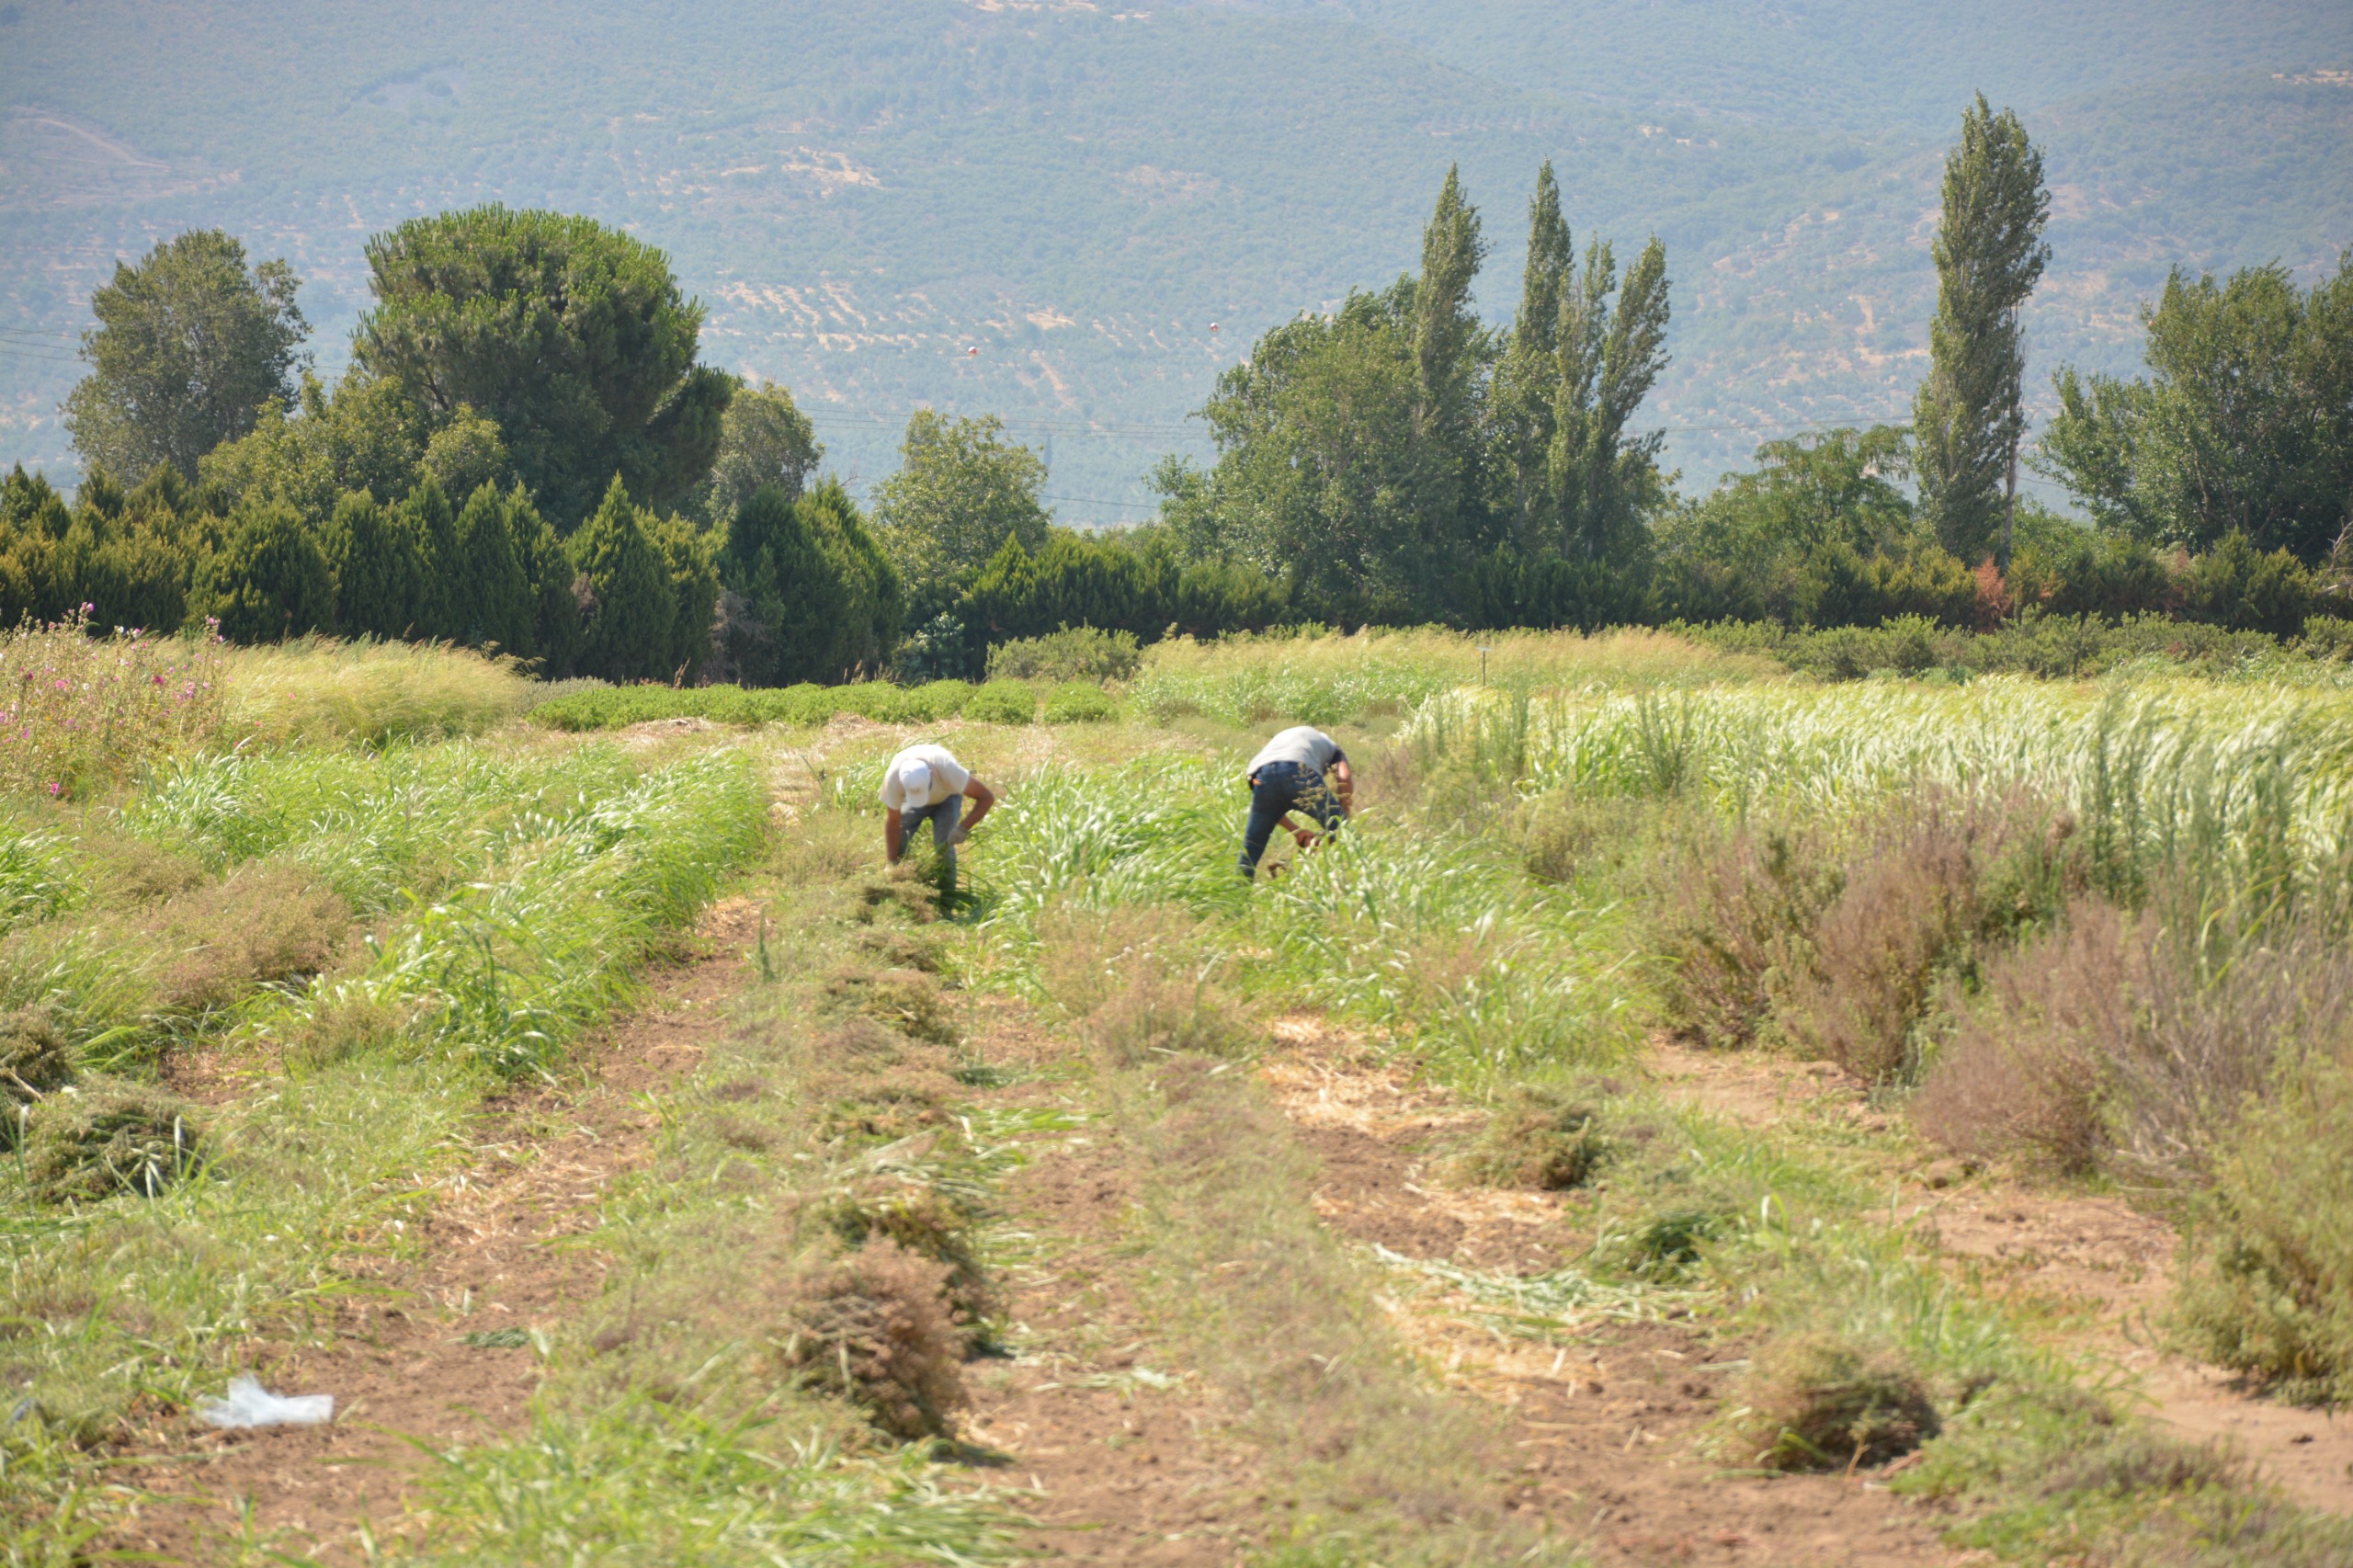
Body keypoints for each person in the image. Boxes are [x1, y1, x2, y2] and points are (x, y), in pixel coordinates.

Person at [1238, 724, 1352, 879]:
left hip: (1260, 774)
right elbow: (1344, 778)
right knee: (1346, 835)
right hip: (1298, 769)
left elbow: (1269, 810)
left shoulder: (1292, 739)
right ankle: (1354, 884)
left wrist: (1297, 831)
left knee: (1251, 848)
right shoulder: (1333, 749)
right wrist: (1342, 817)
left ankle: (1238, 898)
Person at [880, 743, 996, 890]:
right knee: (901, 834)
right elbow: (893, 820)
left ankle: (946, 896)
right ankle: (902, 881)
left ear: (931, 773)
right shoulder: (894, 776)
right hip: (912, 801)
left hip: (948, 797)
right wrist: (891, 861)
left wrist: (963, 828)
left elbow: (986, 797)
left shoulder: (948, 769)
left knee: (944, 844)